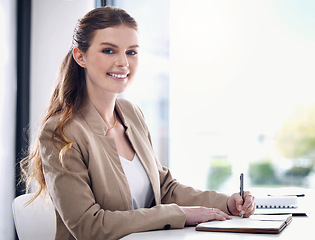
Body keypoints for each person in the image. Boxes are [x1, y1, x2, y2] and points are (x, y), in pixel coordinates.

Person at [21, 6, 255, 240]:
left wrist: (225, 202)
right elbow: (88, 226)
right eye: (109, 51)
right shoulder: (61, 132)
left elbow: (165, 189)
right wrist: (178, 214)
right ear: (80, 56)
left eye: (131, 52)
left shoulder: (132, 114)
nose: (123, 62)